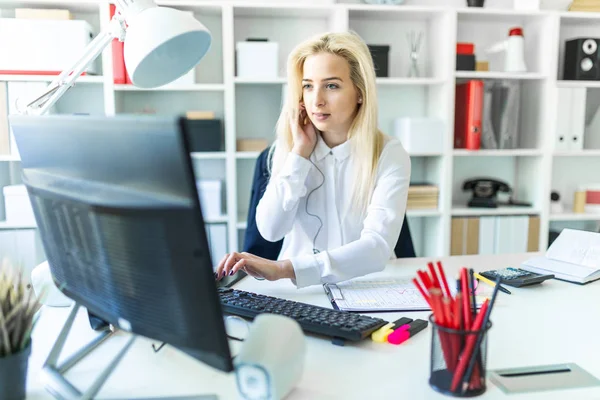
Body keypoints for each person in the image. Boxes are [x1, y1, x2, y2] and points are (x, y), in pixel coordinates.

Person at [216, 31, 411, 288]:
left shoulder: (389, 153)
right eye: (308, 85)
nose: (316, 101)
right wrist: (299, 154)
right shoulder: (283, 150)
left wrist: (286, 268)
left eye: (331, 85)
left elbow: (377, 248)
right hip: (298, 291)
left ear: (360, 92)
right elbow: (270, 231)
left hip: (367, 287)